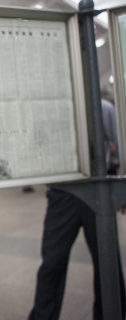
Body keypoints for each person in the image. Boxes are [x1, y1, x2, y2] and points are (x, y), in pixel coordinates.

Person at [28, 99, 126, 320]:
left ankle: (112, 315)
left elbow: (120, 145)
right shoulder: (52, 109)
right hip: (63, 193)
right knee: (52, 262)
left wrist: (122, 189)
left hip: (98, 191)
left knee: (107, 263)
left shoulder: (103, 108)